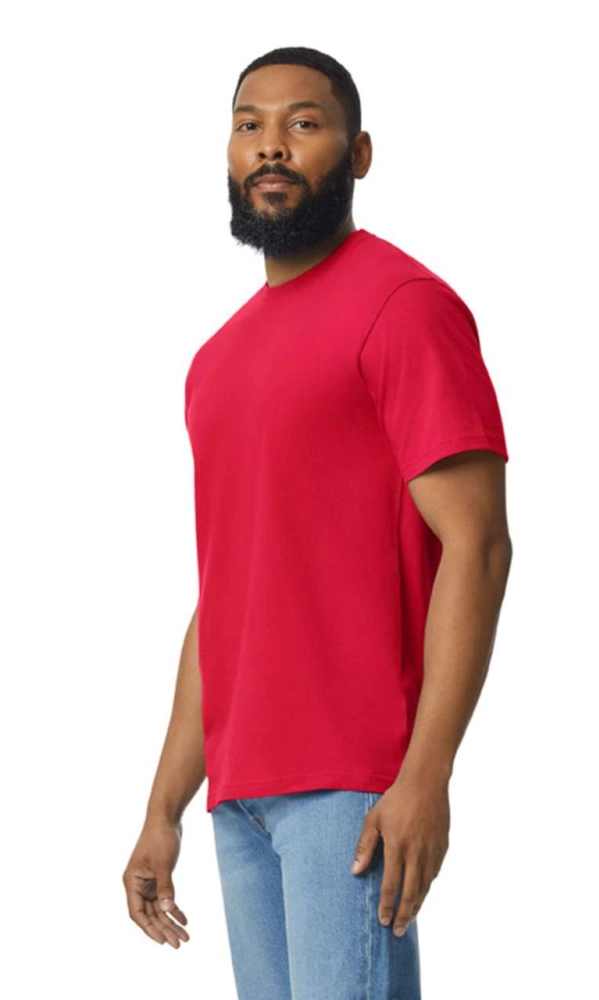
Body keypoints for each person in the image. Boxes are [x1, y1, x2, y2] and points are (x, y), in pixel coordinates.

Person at [123, 46, 513, 999]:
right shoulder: (215, 362)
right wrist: (164, 806)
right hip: (241, 796)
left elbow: (477, 543)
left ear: (358, 153)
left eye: (303, 124)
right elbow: (228, 596)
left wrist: (426, 773)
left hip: (353, 787)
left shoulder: (403, 309)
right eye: (249, 125)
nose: (272, 146)